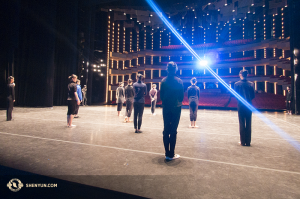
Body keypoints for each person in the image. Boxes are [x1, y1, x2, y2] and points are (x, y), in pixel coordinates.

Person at [160, 61, 184, 160]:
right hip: (176, 107)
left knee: (166, 130)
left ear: (167, 69)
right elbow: (181, 97)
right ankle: (172, 154)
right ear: (176, 69)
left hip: (166, 107)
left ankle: (166, 153)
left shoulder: (163, 81)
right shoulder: (179, 81)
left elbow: (161, 96)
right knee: (173, 130)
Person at [234, 69, 255, 146]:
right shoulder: (251, 84)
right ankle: (248, 142)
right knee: (249, 123)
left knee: (241, 123)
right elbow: (253, 96)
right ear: (247, 75)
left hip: (240, 105)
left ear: (240, 75)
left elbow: (236, 95)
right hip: (249, 105)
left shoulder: (236, 84)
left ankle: (242, 142)